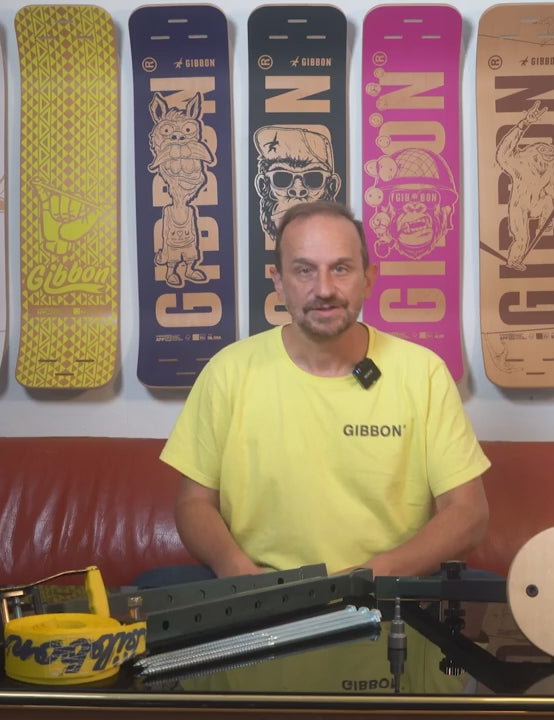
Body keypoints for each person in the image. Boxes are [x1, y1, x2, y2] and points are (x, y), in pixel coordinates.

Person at [157, 200, 490, 581]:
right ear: (278, 280)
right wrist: (236, 569)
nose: (325, 289)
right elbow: (194, 504)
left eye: (341, 268)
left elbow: (468, 514)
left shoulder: (423, 373)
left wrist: (365, 579)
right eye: (304, 270)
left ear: (368, 278)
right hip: (262, 598)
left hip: (386, 595)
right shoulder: (227, 372)